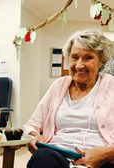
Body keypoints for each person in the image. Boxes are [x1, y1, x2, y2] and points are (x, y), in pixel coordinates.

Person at [23, 29, 114, 168]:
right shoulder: (59, 85)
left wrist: (106, 153)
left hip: (101, 161)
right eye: (74, 57)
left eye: (88, 57)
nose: (79, 65)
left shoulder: (111, 85)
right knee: (41, 158)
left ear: (102, 61)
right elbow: (32, 124)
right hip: (59, 155)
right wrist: (35, 135)